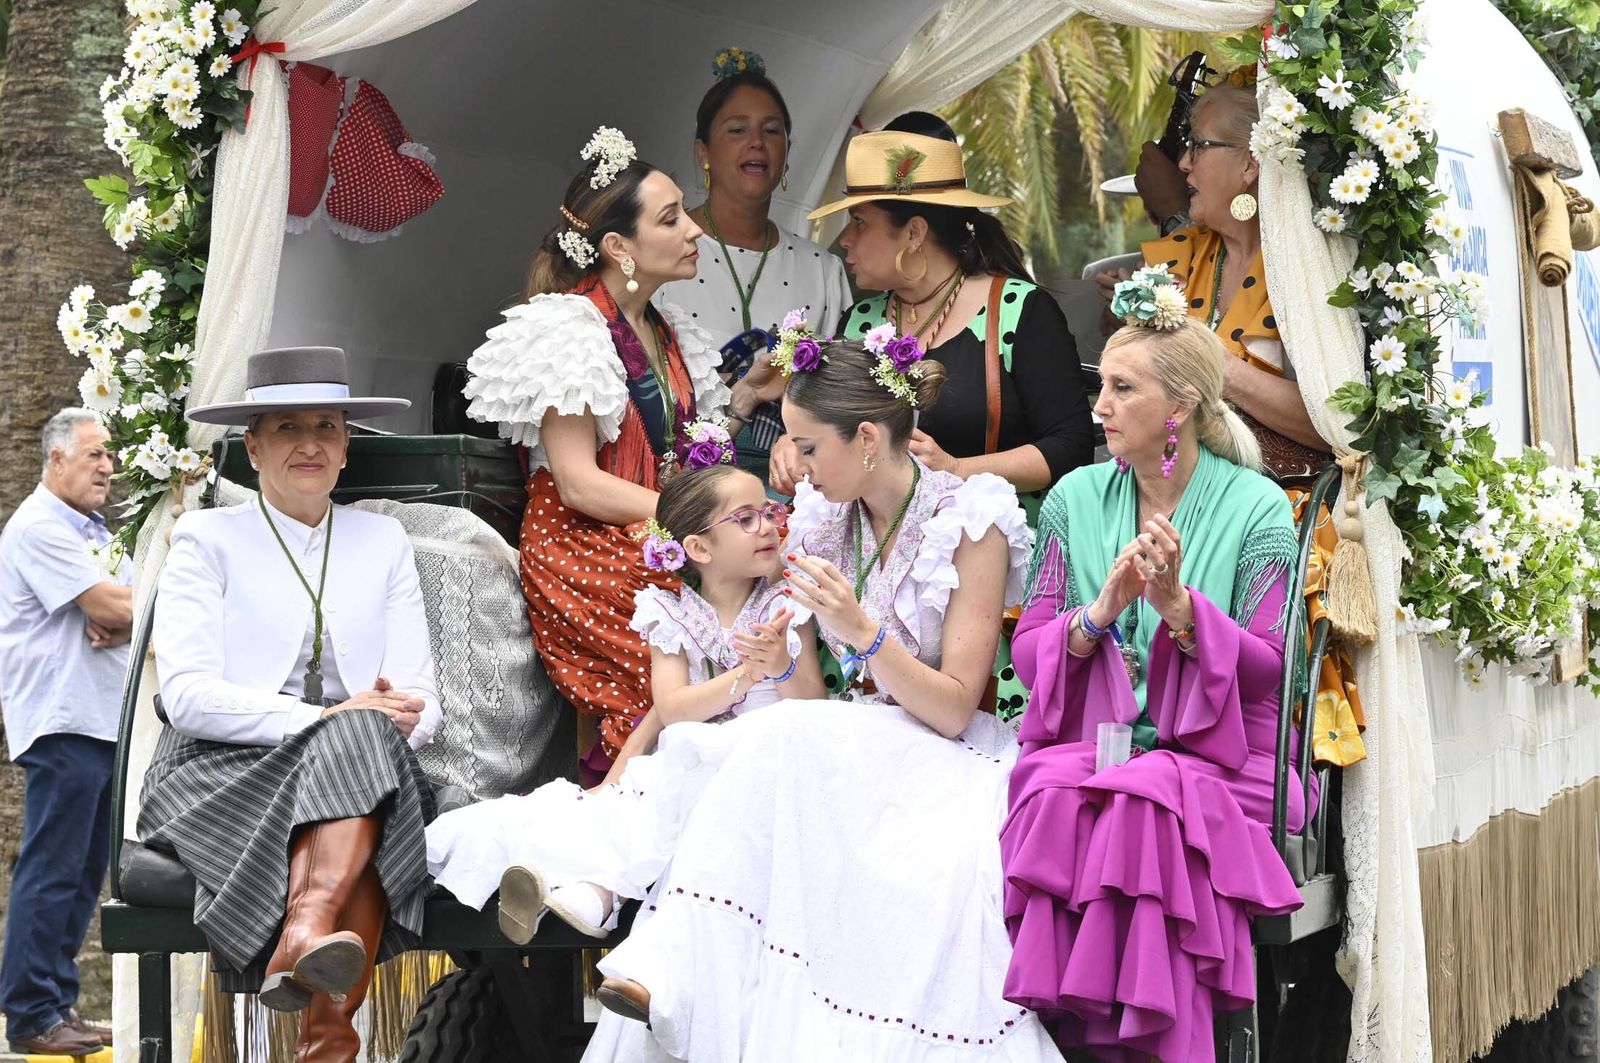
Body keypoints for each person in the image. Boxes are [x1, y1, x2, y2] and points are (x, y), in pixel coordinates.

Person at [583, 340, 1063, 1063]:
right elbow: (778, 666)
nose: (796, 468)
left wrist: (863, 634)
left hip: (943, 752)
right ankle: (674, 966)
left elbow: (958, 705)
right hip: (845, 745)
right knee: (709, 745)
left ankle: (673, 968)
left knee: (783, 738)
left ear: (867, 439)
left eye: (807, 447)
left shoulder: (973, 518)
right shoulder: (815, 520)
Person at [999, 292, 1313, 1062]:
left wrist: (1182, 610)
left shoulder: (1259, 507)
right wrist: (1098, 614)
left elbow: (1269, 665)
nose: (1099, 406)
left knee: (1141, 805)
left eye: (1122, 389)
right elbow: (1032, 650)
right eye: (1100, 385)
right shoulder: (1072, 499)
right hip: (1098, 745)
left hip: (1226, 758)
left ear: (1181, 407)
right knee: (1054, 794)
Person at [136, 347, 442, 1061]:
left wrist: (390, 720)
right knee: (365, 756)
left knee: (369, 752)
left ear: (346, 445)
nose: (310, 443)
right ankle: (326, 1020)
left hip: (365, 765)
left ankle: (310, 941)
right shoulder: (205, 538)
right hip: (217, 771)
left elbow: (422, 697)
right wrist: (329, 722)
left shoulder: (382, 538)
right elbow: (185, 697)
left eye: (327, 426)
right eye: (286, 427)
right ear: (252, 445)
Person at [465, 125, 785, 782]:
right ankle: (623, 826)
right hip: (583, 547)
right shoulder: (570, 328)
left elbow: (676, 447)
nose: (694, 230)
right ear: (618, 246)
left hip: (654, 534)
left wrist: (746, 400)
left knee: (773, 596)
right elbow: (579, 484)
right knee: (685, 654)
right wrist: (697, 516)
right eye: (672, 219)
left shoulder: (668, 331)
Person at [425, 461, 824, 942]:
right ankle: (579, 890)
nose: (767, 527)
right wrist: (612, 782)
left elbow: (812, 704)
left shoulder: (786, 604)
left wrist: (779, 665)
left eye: (767, 512)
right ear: (698, 548)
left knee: (679, 788)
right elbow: (670, 709)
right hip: (691, 759)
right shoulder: (670, 613)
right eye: (744, 519)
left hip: (766, 760)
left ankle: (594, 894)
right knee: (623, 804)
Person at [1093, 74, 1366, 768]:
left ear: (1252, 164)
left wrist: (1217, 365)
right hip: (1159, 493)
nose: (1182, 164)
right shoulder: (1182, 262)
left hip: (1280, 505)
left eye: (1198, 145)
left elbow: (1339, 426)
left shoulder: (1306, 270)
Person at [799, 128, 1096, 719]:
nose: (845, 241)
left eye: (859, 222)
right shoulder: (860, 321)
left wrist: (961, 469)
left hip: (986, 577)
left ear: (913, 233)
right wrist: (796, 445)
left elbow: (1070, 448)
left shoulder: (1019, 311)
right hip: (872, 570)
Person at [0, 409, 132, 1057]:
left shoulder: (94, 531)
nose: (108, 465)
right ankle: (29, 1011)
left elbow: (139, 602)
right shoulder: (37, 526)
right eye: (94, 455)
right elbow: (117, 604)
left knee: (82, 873)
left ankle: (56, 1003)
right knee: (53, 865)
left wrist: (122, 610)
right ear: (55, 460)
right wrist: (112, 606)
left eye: (109, 454)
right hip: (62, 718)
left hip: (99, 719)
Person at [658, 47, 852, 486]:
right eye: (737, 129)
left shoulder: (822, 269)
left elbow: (835, 397)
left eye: (771, 130)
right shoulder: (662, 255)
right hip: (683, 481)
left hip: (796, 484)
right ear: (702, 151)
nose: (757, 143)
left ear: (787, 151)